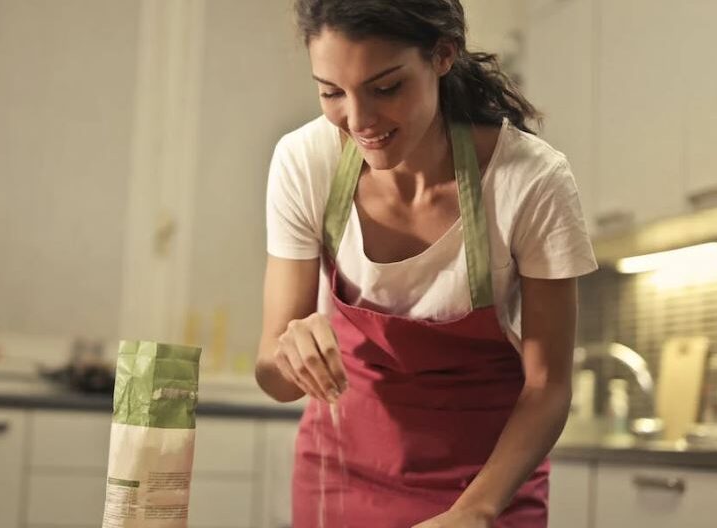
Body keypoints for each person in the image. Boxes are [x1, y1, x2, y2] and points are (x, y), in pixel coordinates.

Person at [255, 1, 598, 526]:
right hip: (343, 479)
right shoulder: (306, 163)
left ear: (442, 55)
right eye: (331, 92)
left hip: (487, 484)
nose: (359, 120)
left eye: (385, 87)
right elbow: (274, 380)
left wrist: (477, 511)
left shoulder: (531, 181)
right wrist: (291, 355)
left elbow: (548, 385)